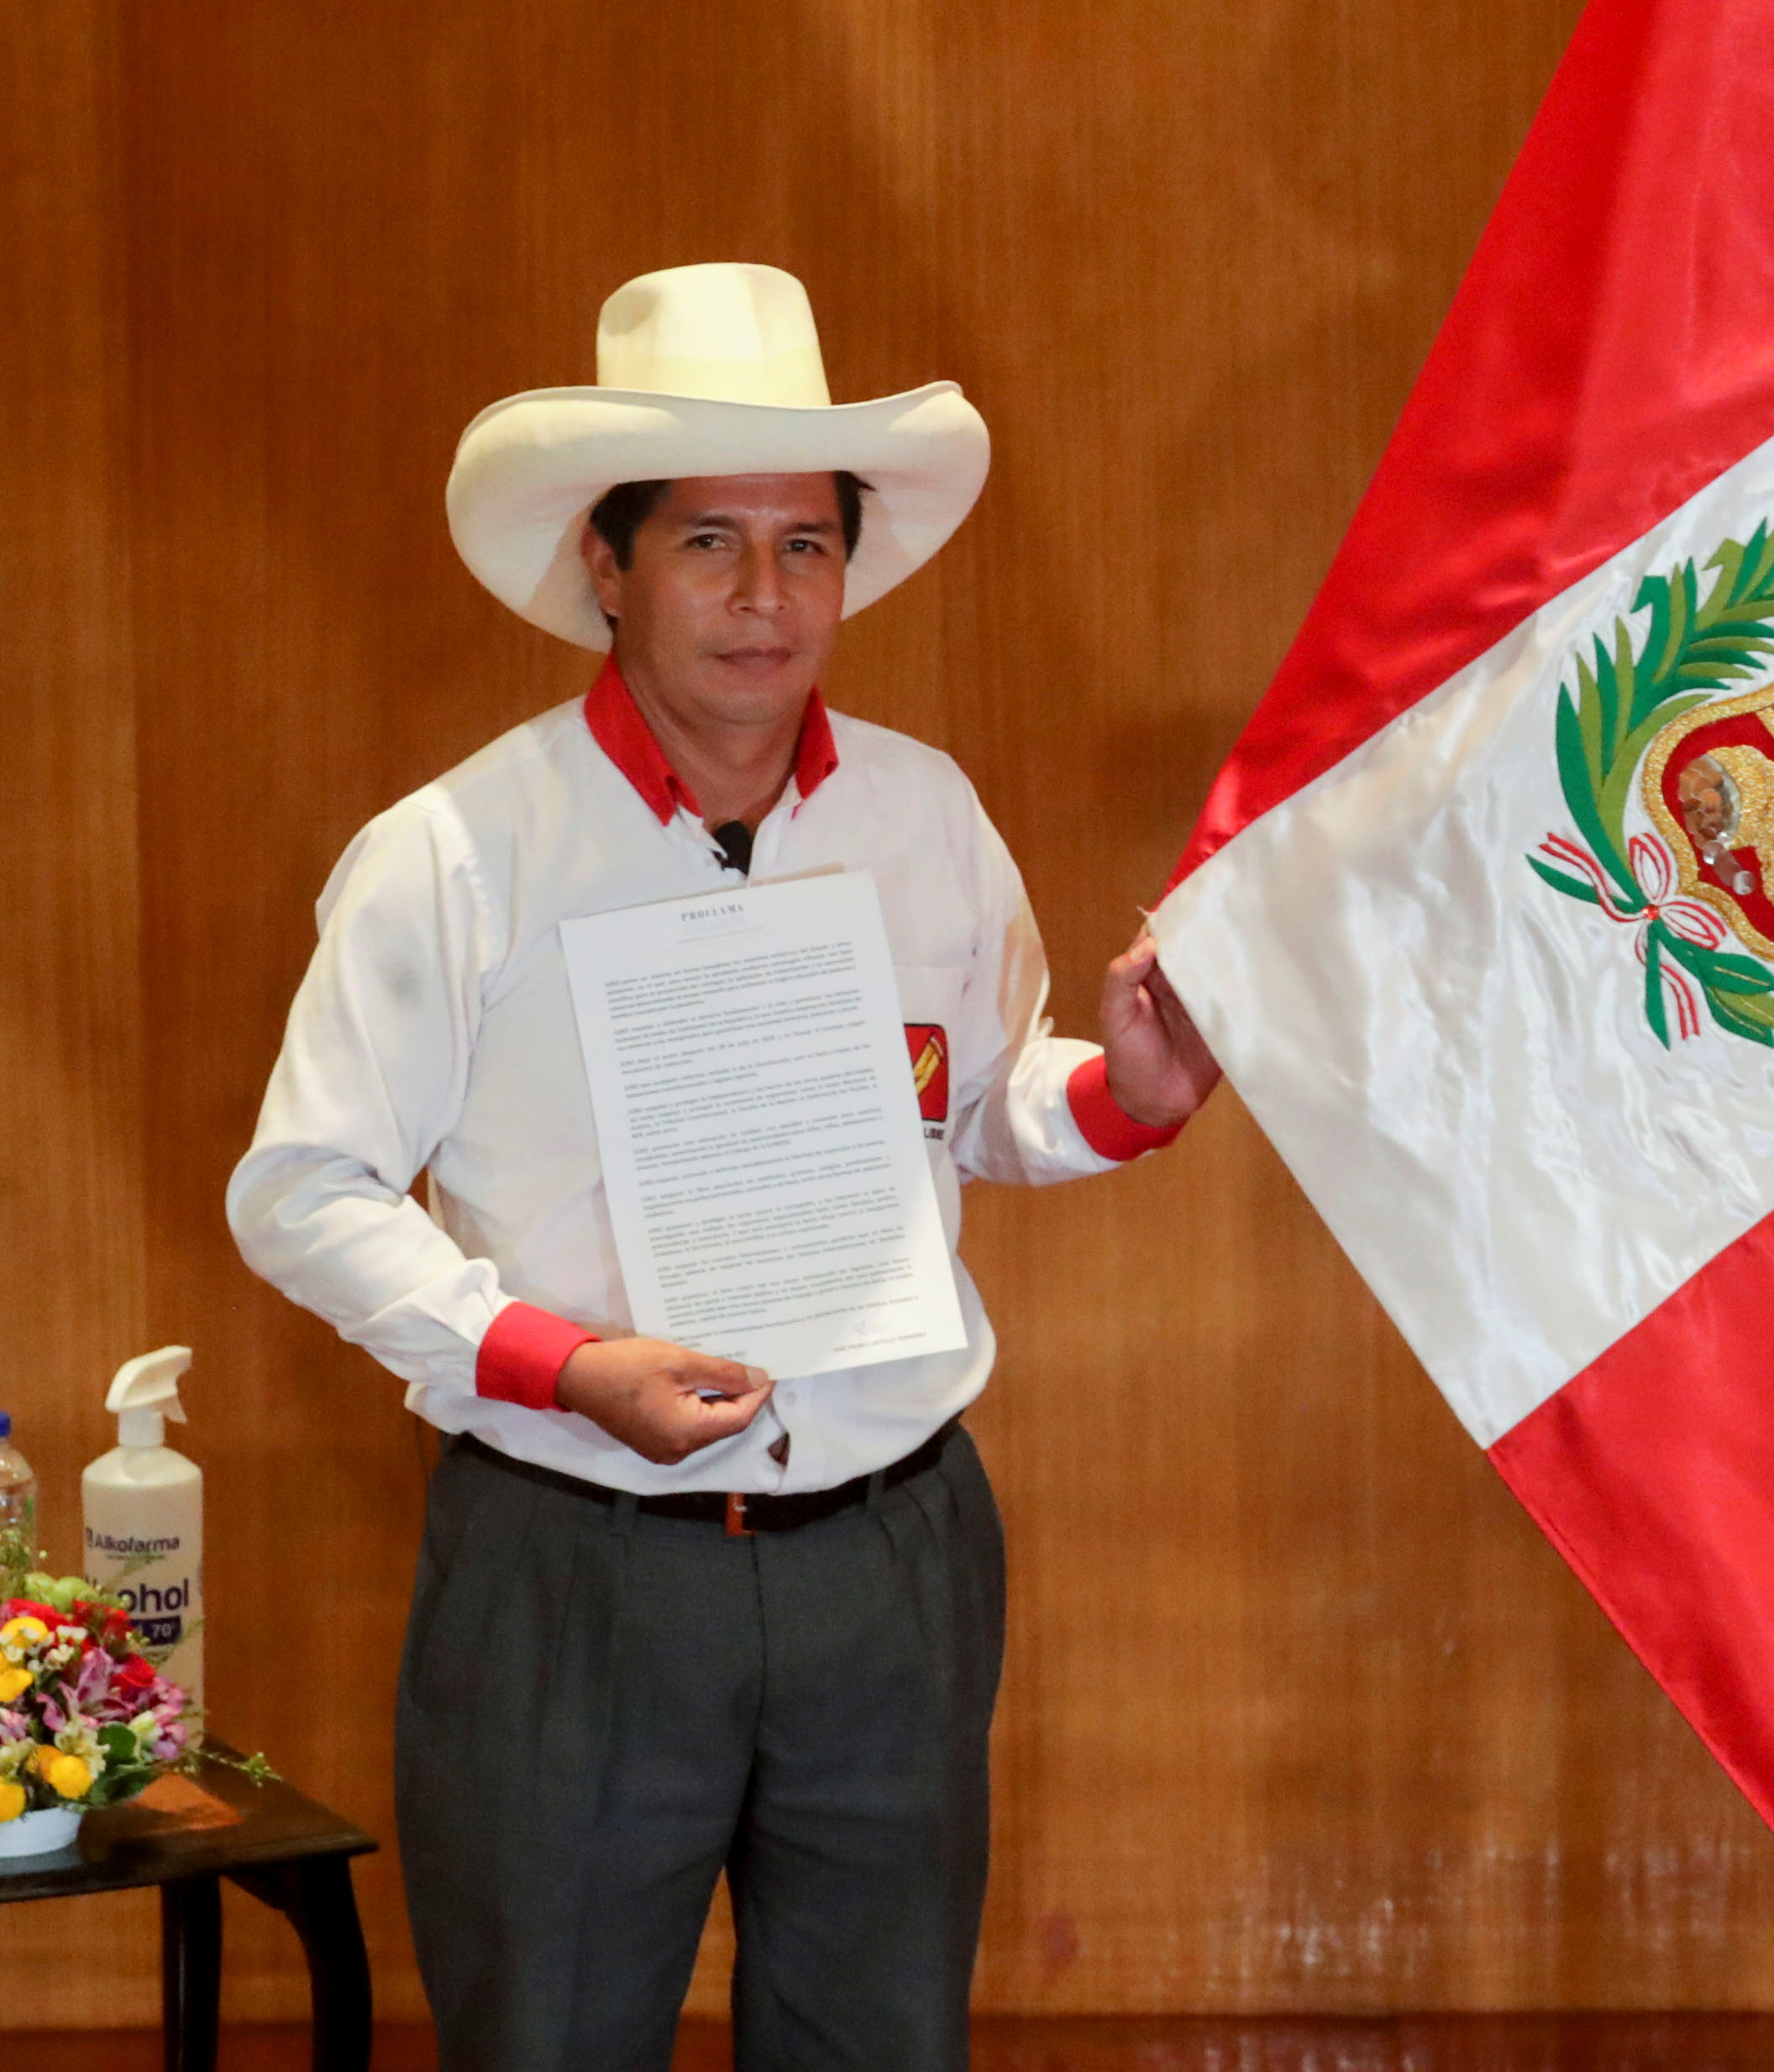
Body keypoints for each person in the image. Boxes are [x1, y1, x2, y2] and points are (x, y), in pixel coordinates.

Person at [228, 263, 1224, 2071]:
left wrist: (1129, 1094)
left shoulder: (926, 813)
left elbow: (985, 1104)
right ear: (604, 567)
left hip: (890, 1549)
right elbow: (302, 1188)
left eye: (804, 547)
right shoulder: (457, 852)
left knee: (882, 2043)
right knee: (548, 2040)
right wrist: (560, 1362)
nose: (764, 600)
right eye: (706, 544)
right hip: (576, 1560)